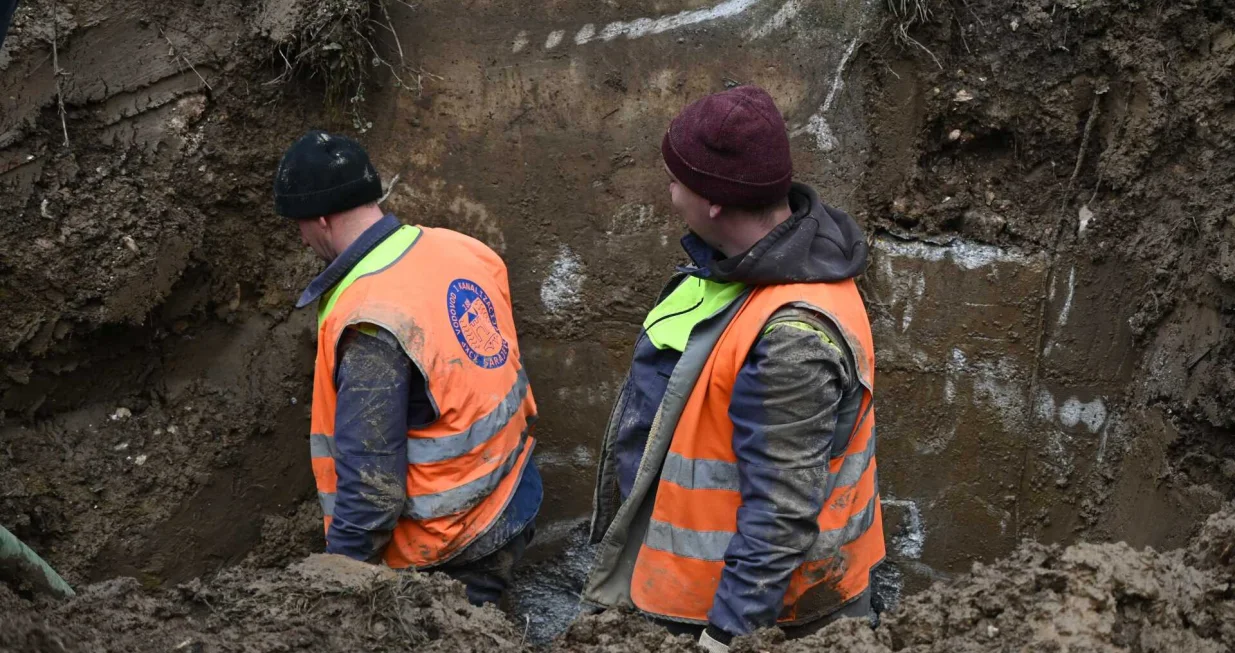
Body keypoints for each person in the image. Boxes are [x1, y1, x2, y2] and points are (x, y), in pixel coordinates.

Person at [583, 86, 885, 651]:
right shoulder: (740, 269)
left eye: (677, 179)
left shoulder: (793, 335)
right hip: (688, 587)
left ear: (715, 201)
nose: (670, 191)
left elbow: (780, 513)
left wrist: (724, 639)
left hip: (749, 615)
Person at [275, 130, 541, 606]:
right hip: (514, 492)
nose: (302, 238)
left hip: (451, 545)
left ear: (319, 219)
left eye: (299, 225)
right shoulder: (461, 249)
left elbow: (372, 488)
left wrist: (341, 580)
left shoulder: (373, 318)